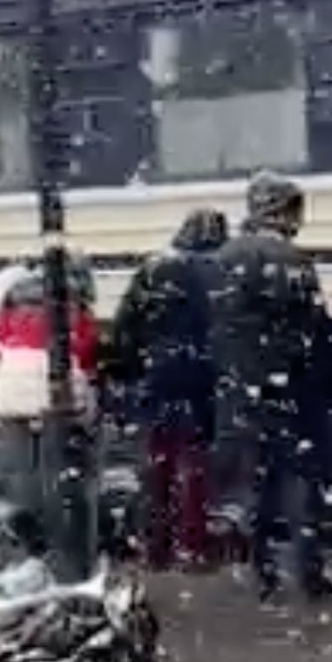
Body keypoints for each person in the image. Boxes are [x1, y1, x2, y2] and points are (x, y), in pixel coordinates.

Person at [211, 172, 332, 602]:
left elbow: (210, 327)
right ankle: (308, 571)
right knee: (300, 483)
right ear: (285, 211)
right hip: (292, 391)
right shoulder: (294, 261)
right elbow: (317, 333)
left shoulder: (224, 257)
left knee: (257, 483)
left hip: (240, 391)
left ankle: (261, 573)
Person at [106, 210, 227, 567]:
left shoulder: (154, 269)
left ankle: (154, 548)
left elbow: (126, 323)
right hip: (202, 377)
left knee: (156, 463)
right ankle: (192, 546)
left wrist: (127, 367)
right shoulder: (222, 272)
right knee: (195, 465)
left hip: (157, 374)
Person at [0, 253, 100, 576]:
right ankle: (61, 545)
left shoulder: (14, 295)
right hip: (55, 391)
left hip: (9, 387)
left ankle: (26, 544)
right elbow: (86, 348)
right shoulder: (73, 297)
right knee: (60, 470)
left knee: (22, 470)